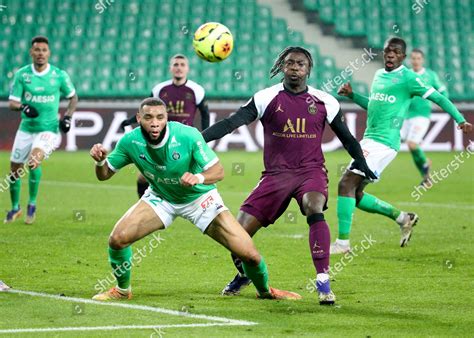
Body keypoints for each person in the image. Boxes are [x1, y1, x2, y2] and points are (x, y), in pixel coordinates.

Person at [202, 46, 376, 305]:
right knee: (236, 236)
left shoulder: (325, 101)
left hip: (311, 172)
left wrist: (362, 164)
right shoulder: (265, 98)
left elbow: (348, 139)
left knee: (313, 207)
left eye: (300, 64)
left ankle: (323, 281)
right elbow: (231, 124)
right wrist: (198, 140)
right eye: (290, 63)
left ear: (308, 69)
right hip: (274, 176)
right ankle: (244, 274)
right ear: (282, 67)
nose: (295, 67)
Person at [90, 97, 300, 301]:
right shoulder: (130, 141)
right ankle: (122, 290)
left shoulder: (187, 135)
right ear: (138, 118)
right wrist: (100, 163)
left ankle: (265, 292)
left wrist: (198, 177)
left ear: (166, 118)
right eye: (148, 117)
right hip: (161, 198)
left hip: (200, 199)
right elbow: (105, 175)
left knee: (250, 255)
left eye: (159, 117)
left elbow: (218, 171)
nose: (154, 123)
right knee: (117, 239)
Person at [331, 37, 472, 254]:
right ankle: (404, 218)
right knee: (356, 194)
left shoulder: (409, 78)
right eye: (388, 50)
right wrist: (352, 95)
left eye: (395, 52)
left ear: (402, 57)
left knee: (345, 184)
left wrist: (460, 119)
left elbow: (439, 98)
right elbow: (374, 106)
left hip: (384, 142)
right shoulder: (378, 75)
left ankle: (343, 244)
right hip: (370, 139)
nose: (390, 54)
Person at [5, 36, 78, 224]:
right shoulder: (22, 75)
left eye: (44, 50)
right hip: (26, 128)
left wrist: (68, 117)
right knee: (14, 171)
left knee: (34, 161)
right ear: (31, 52)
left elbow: (73, 97)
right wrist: (23, 107)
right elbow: (12, 102)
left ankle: (32, 204)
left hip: (49, 129)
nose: (40, 54)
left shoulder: (58, 75)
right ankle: (15, 208)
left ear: (49, 53)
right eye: (37, 50)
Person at [120, 54, 210, 198]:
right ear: (170, 68)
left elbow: (205, 114)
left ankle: (199, 206)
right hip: (160, 139)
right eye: (175, 64)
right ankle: (144, 206)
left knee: (185, 179)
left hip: (184, 141)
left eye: (182, 64)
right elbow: (146, 111)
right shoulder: (159, 89)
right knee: (143, 177)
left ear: (187, 68)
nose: (179, 67)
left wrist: (205, 137)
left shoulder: (196, 90)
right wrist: (130, 120)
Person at [401, 48, 448, 187]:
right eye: (413, 58)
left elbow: (442, 90)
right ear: (410, 60)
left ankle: (373, 173)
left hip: (422, 115)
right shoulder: (406, 74)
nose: (415, 61)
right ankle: (426, 176)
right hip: (406, 115)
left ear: (423, 60)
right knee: (410, 147)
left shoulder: (430, 75)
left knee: (412, 144)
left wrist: (443, 102)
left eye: (418, 58)